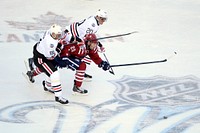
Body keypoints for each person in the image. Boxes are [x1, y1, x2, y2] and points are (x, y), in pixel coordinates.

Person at [26, 24, 69, 104]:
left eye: (58, 35)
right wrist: (59, 49)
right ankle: (58, 96)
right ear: (52, 34)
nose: (58, 36)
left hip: (40, 51)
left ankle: (34, 75)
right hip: (42, 58)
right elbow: (50, 57)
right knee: (54, 73)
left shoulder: (51, 32)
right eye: (56, 35)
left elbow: (61, 35)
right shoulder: (50, 43)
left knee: (47, 69)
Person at [59, 9, 108, 79]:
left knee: (85, 53)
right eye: (102, 19)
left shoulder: (95, 23)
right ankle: (79, 69)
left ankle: (81, 71)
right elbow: (74, 28)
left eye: (104, 19)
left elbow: (90, 36)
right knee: (81, 53)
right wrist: (75, 39)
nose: (103, 21)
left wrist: (99, 45)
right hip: (70, 35)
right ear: (98, 16)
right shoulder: (92, 24)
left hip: (77, 37)